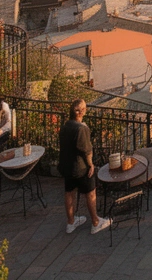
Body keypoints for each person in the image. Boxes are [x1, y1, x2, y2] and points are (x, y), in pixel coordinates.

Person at [59, 99, 109, 235]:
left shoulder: (65, 126)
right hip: (80, 167)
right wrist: (90, 164)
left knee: (69, 192)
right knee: (90, 193)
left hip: (67, 165)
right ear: (82, 112)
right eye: (85, 108)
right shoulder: (81, 128)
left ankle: (70, 222)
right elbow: (86, 150)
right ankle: (95, 222)